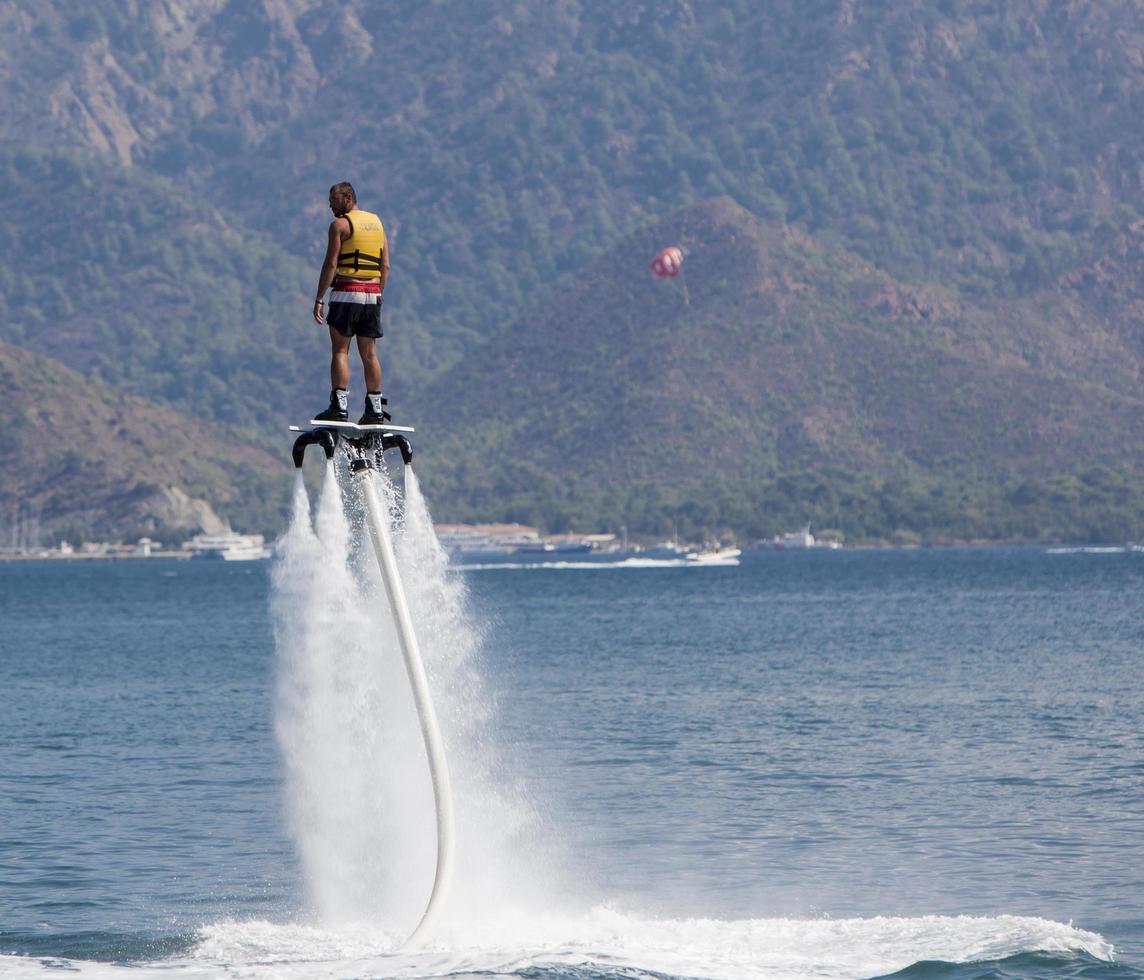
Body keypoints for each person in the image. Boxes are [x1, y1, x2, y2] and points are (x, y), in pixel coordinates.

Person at [312, 181, 391, 425]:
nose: (329, 205)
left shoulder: (339, 226)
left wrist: (319, 298)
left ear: (348, 199)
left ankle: (339, 405)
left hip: (347, 292)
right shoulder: (377, 223)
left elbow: (331, 263)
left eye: (333, 200)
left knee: (340, 350)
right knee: (370, 353)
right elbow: (385, 265)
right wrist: (378, 294)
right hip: (372, 294)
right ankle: (375, 408)